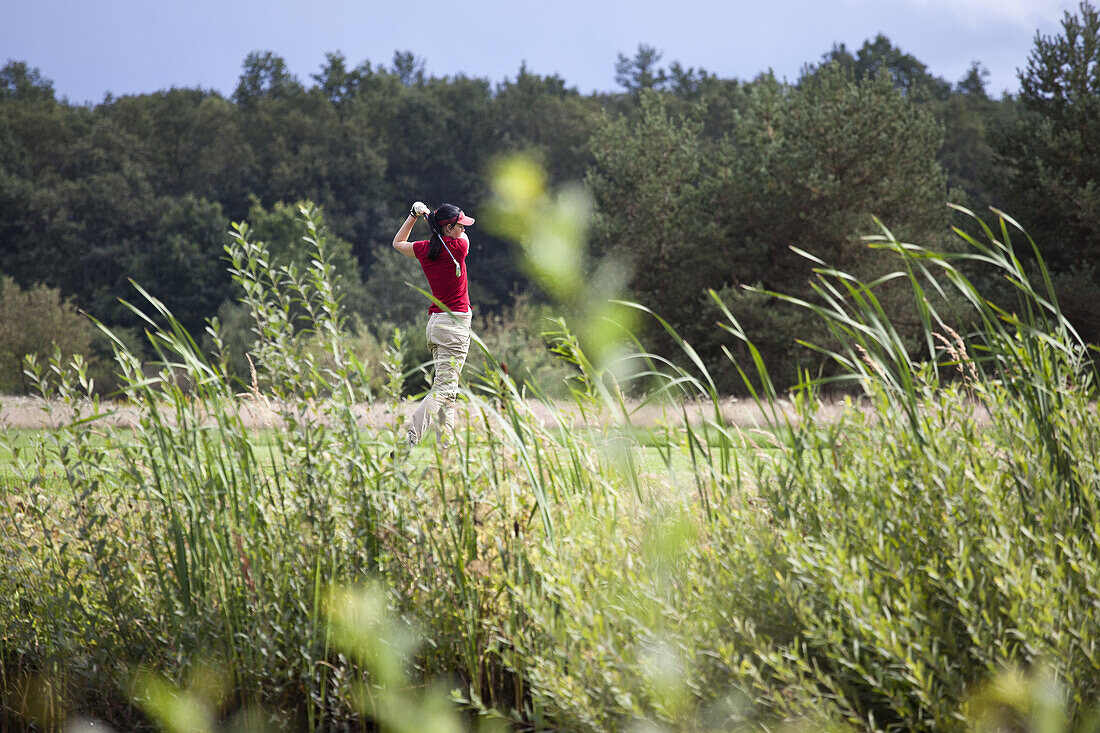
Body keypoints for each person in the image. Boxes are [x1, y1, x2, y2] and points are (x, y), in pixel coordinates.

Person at [391, 201, 476, 447]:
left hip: (436, 325)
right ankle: (409, 441)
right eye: (460, 225)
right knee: (444, 390)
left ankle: (446, 452)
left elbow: (398, 243)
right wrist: (431, 218)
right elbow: (465, 238)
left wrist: (415, 215)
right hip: (455, 326)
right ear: (449, 227)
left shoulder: (426, 249)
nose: (463, 230)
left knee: (448, 392)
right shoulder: (459, 246)